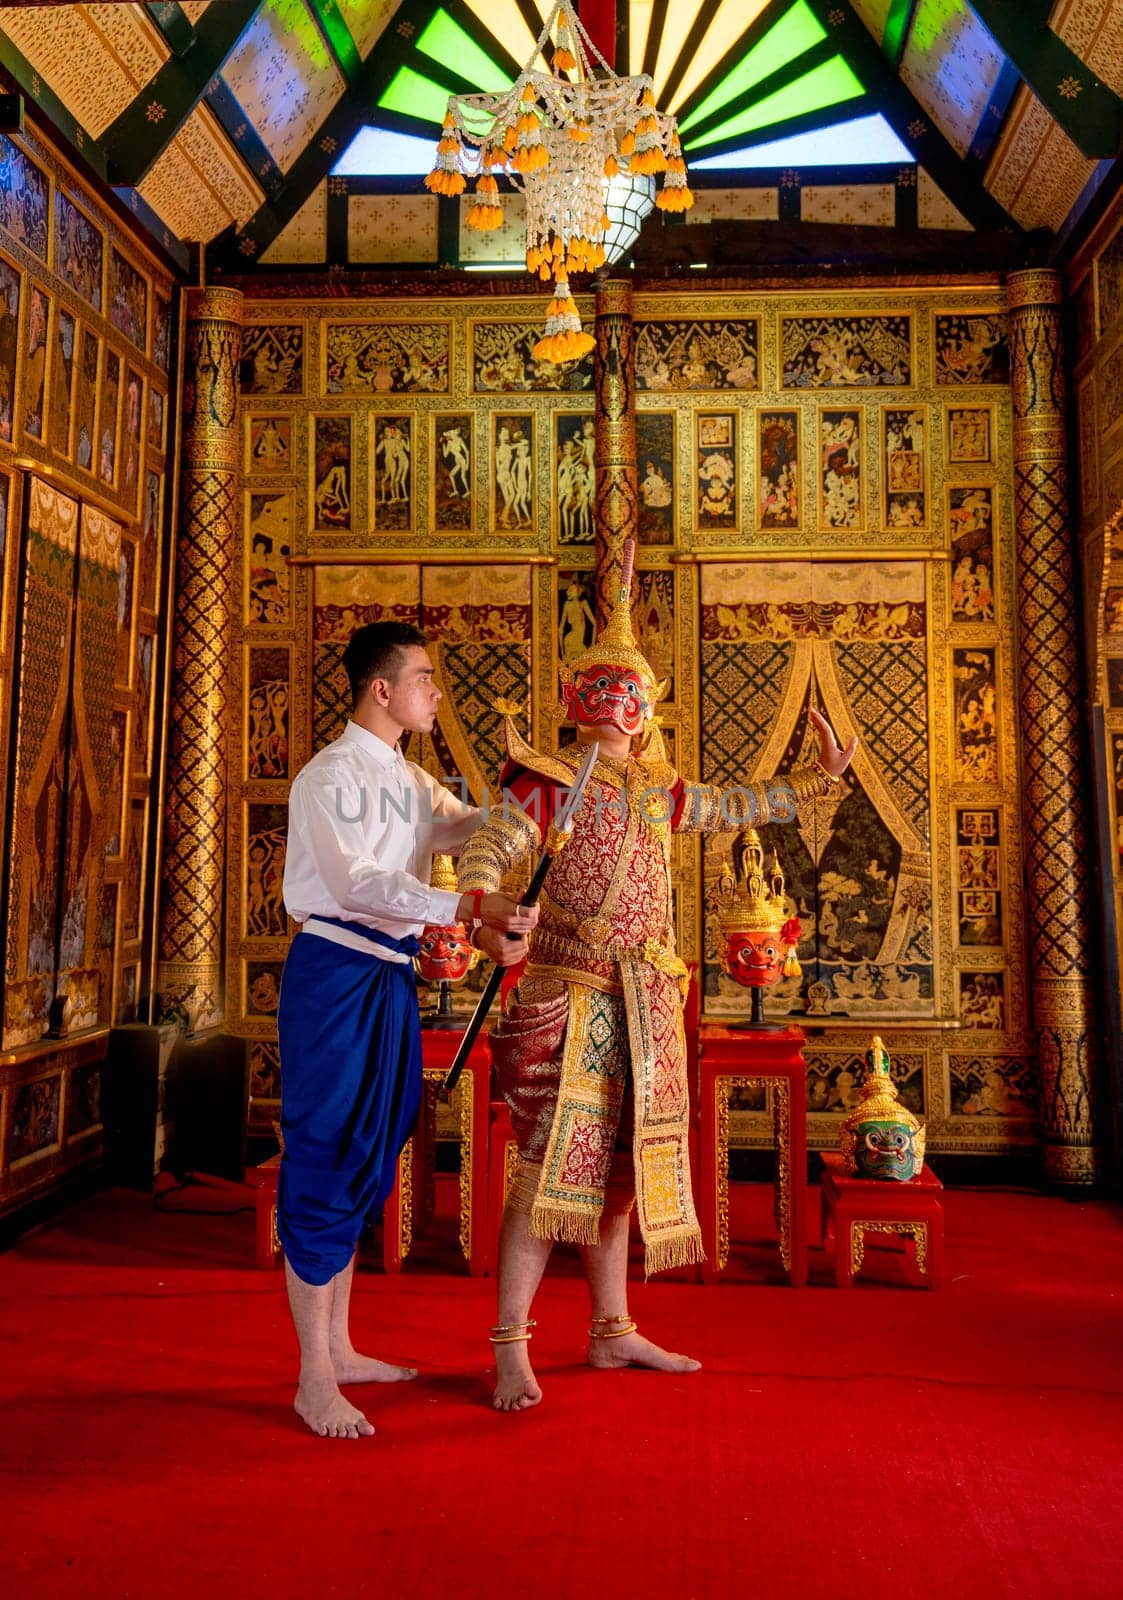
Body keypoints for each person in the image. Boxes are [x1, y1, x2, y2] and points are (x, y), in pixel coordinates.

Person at [457, 541, 858, 1412]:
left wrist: (816, 781)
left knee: (619, 1172)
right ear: (577, 699)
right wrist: (483, 901)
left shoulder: (661, 786)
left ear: (646, 708)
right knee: (543, 1172)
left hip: (644, 1000)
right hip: (567, 994)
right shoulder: (549, 778)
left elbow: (734, 806)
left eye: (630, 692)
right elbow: (492, 844)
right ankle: (509, 1346)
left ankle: (611, 1329)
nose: (618, 705)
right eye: (603, 689)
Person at [278, 621, 537, 1440]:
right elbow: (358, 883)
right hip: (333, 976)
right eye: (423, 678)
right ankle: (313, 1378)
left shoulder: (411, 781)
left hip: (388, 979)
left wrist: (544, 794)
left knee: (369, 1148)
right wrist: (466, 906)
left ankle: (343, 1347)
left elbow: (468, 827)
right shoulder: (328, 776)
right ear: (380, 690)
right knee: (325, 1150)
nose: (434, 692)